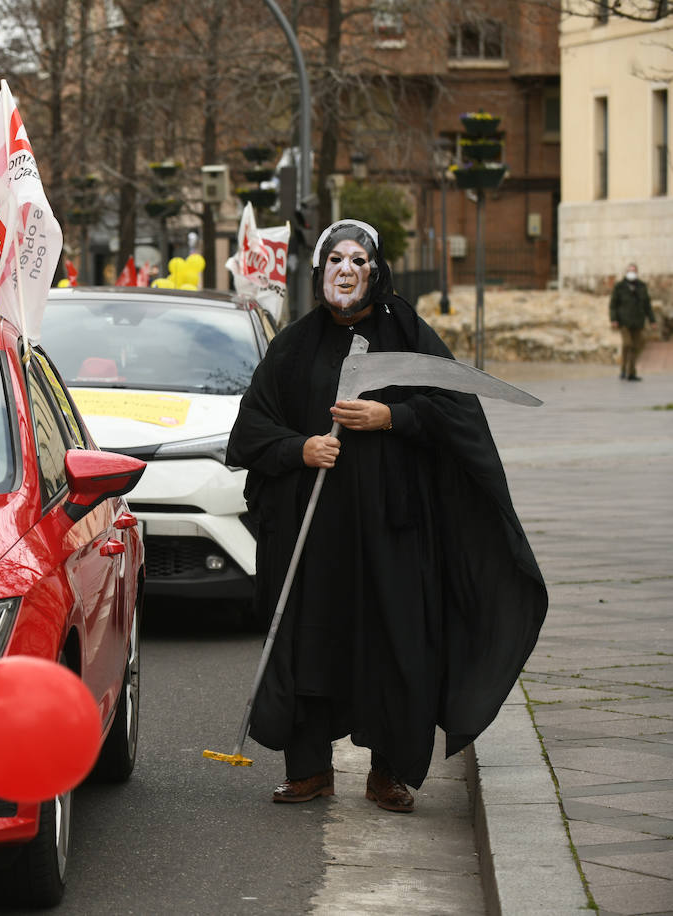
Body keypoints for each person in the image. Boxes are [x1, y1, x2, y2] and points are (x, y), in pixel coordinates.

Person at [227, 219, 547, 813]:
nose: (345, 270)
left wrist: (390, 419)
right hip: (315, 534)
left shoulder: (407, 335)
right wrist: (299, 449)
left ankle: (388, 773)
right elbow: (250, 431)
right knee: (311, 644)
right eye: (334, 261)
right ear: (319, 271)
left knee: (396, 644)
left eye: (358, 260)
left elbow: (456, 414)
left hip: (393, 532)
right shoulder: (294, 345)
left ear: (375, 271)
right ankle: (310, 770)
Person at [609, 262, 654, 381]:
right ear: (626, 272)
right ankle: (623, 369)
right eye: (630, 270)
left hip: (638, 322)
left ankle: (631, 372)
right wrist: (613, 319)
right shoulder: (619, 286)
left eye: (634, 271)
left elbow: (647, 305)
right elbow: (613, 305)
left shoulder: (642, 286)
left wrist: (652, 320)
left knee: (635, 347)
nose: (632, 273)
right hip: (624, 322)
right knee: (627, 344)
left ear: (637, 272)